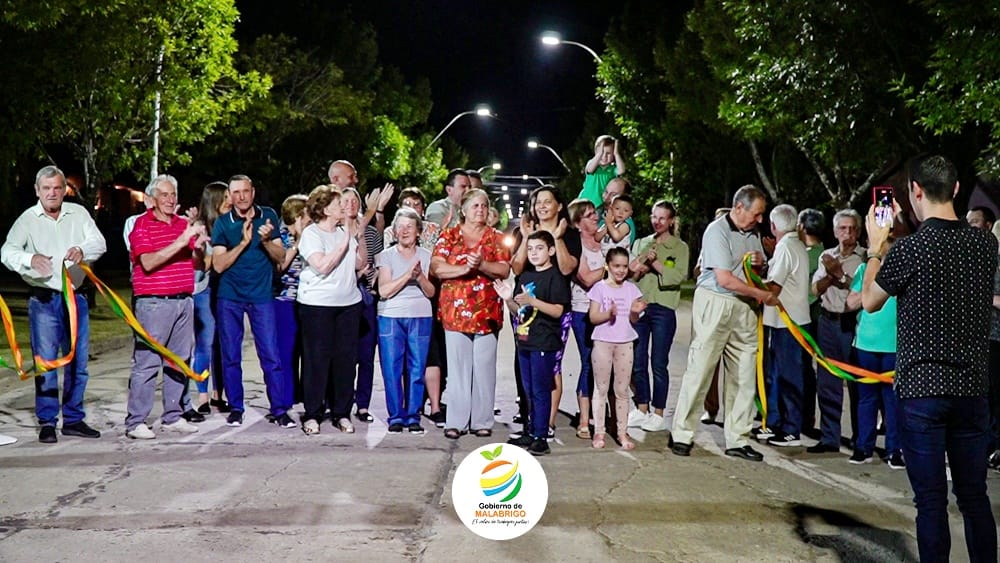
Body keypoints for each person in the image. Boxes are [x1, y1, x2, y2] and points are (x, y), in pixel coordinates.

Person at [861, 154, 997, 561]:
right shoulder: (985, 244)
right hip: (971, 388)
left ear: (914, 191)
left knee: (931, 501)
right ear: (955, 189)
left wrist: (875, 248)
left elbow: (869, 301)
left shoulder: (909, 249)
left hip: (922, 390)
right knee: (974, 497)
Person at [670, 185, 777, 462]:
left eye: (762, 214)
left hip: (744, 307)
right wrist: (762, 295)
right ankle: (682, 434)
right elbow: (725, 279)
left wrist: (759, 264)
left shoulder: (753, 232)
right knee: (701, 368)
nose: (760, 219)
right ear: (739, 207)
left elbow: (754, 269)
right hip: (717, 301)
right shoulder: (716, 231)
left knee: (744, 374)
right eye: (756, 213)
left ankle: (738, 439)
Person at [2, 165, 107, 443]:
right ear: (37, 191)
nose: (52, 193)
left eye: (57, 188)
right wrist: (30, 259)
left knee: (78, 363)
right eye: (46, 188)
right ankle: (48, 421)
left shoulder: (78, 214)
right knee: (46, 363)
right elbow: (7, 252)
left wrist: (83, 250)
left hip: (76, 297)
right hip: (44, 300)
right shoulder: (27, 220)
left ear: (64, 190)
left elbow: (99, 242)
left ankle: (73, 418)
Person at [124, 175, 208, 439]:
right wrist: (182, 241)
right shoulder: (142, 225)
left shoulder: (183, 224)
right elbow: (148, 262)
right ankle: (136, 421)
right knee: (147, 362)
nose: (170, 200)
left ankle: (173, 416)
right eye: (164, 195)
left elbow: (199, 263)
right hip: (154, 303)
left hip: (183, 300)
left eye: (173, 194)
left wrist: (199, 246)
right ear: (152, 199)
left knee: (178, 361)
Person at [211, 175, 294, 429]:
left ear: (253, 192)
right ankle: (236, 408)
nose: (241, 197)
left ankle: (279, 410)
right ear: (230, 195)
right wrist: (244, 243)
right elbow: (218, 265)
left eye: (245, 191)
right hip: (230, 297)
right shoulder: (223, 223)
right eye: (236, 192)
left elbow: (281, 257)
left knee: (271, 355)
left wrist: (266, 241)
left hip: (261, 296)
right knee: (230, 356)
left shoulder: (268, 215)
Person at [431, 188, 511, 439]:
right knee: (458, 369)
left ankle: (482, 421)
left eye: (484, 206)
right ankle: (456, 421)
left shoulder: (496, 237)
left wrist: (482, 265)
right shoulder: (449, 235)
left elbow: (504, 269)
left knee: (484, 369)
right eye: (475, 206)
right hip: (455, 311)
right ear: (463, 210)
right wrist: (464, 269)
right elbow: (436, 267)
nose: (480, 210)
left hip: (487, 312)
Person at [511, 185, 580, 440]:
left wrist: (558, 238)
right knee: (526, 370)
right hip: (525, 307)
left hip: (552, 308)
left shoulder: (569, 234)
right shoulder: (525, 231)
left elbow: (567, 268)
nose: (541, 206)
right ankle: (530, 424)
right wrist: (526, 238)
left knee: (551, 368)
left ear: (559, 205)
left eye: (547, 201)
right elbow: (517, 267)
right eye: (537, 201)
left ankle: (545, 426)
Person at [297, 186, 367, 435]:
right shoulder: (312, 234)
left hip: (348, 305)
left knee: (345, 361)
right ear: (326, 209)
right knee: (316, 360)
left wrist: (356, 237)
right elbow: (323, 266)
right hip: (317, 305)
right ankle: (312, 414)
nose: (344, 207)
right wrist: (345, 240)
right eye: (339, 204)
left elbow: (360, 263)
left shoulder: (343, 231)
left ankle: (342, 412)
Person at [497, 231, 572, 456]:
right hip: (525, 340)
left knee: (541, 390)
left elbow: (558, 310)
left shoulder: (556, 277)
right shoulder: (525, 276)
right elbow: (518, 311)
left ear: (551, 251)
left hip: (544, 342)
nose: (534, 253)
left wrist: (533, 301)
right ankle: (530, 431)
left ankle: (541, 436)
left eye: (539, 248)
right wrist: (508, 298)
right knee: (527, 390)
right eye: (530, 249)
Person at [846, 223, 905, 468]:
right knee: (866, 399)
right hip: (866, 345)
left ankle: (894, 450)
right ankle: (863, 447)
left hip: (894, 346)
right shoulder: (864, 270)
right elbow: (850, 303)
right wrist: (869, 288)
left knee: (893, 401)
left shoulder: (903, 271)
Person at [627, 200, 689, 433]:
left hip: (663, 309)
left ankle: (659, 412)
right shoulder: (641, 242)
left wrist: (656, 264)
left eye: (663, 218)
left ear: (671, 221)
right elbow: (630, 273)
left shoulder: (679, 247)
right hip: (640, 307)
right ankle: (642, 407)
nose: (657, 221)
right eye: (654, 216)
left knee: (659, 362)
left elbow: (677, 277)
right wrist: (641, 263)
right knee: (638, 360)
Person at [808, 209, 866, 454]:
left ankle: (861, 440)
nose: (847, 233)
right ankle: (829, 437)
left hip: (852, 323)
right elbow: (815, 289)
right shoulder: (827, 256)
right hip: (828, 321)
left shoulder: (865, 258)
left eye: (852, 228)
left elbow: (863, 289)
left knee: (857, 384)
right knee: (828, 381)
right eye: (842, 228)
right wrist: (831, 276)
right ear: (834, 231)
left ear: (859, 231)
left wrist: (840, 276)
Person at [376, 208, 435, 434]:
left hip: (420, 315)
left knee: (417, 367)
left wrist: (419, 277)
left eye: (409, 226)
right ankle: (395, 416)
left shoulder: (427, 256)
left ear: (418, 231)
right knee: (391, 368)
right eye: (400, 226)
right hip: (390, 316)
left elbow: (431, 292)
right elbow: (384, 290)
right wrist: (407, 276)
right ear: (394, 231)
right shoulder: (386, 256)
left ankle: (413, 416)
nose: (404, 231)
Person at [755, 204, 809, 448]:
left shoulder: (787, 247)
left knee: (789, 375)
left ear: (774, 225)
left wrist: (749, 284)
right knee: (777, 373)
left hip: (789, 322)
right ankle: (775, 422)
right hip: (782, 321)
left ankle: (791, 429)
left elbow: (773, 287)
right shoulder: (792, 245)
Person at [587, 247, 646, 450]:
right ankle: (599, 431)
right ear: (608, 266)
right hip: (602, 341)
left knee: (621, 390)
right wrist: (609, 314)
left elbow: (634, 319)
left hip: (625, 342)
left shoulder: (631, 289)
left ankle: (622, 432)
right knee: (601, 388)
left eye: (624, 266)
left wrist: (635, 311)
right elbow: (593, 317)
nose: (621, 270)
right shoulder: (599, 288)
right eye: (616, 266)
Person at [342, 188, 382, 424]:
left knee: (366, 356)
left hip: (366, 298)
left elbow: (377, 261)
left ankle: (363, 405)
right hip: (341, 299)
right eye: (345, 200)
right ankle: (341, 402)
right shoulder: (335, 229)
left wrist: (374, 278)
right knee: (343, 355)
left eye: (354, 200)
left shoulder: (370, 233)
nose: (350, 204)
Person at [568, 199, 605, 438]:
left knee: (607, 363)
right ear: (577, 223)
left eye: (595, 213)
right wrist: (610, 267)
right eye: (589, 215)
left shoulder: (605, 243)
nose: (595, 217)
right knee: (589, 361)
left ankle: (602, 414)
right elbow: (587, 278)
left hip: (609, 310)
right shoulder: (576, 246)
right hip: (582, 309)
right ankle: (584, 419)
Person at [193, 182, 231, 414]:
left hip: (225, 289)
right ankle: (202, 395)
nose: (230, 201)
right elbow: (205, 265)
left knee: (222, 344)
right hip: (204, 290)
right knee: (205, 344)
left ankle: (219, 394)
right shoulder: (200, 227)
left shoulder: (229, 224)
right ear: (214, 200)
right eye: (225, 197)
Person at [275, 194, 310, 405]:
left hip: (308, 301)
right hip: (285, 301)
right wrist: (298, 241)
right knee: (286, 353)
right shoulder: (281, 237)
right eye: (307, 214)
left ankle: (306, 396)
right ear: (297, 216)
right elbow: (281, 266)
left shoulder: (312, 236)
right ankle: (286, 399)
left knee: (306, 352)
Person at [797, 208, 825, 437]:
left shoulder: (808, 256)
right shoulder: (823, 253)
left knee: (803, 369)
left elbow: (807, 292)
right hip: (816, 317)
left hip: (807, 318)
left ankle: (804, 417)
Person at [578, 135, 626, 209]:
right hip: (584, 202)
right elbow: (590, 170)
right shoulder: (592, 164)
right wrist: (599, 154)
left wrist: (616, 154)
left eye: (608, 153)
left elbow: (621, 171)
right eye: (601, 152)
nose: (604, 156)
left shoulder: (612, 169)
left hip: (600, 205)